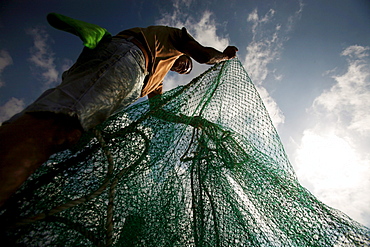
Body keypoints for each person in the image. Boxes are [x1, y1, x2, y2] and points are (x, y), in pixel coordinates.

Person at [0, 14, 238, 207]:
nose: (186, 67)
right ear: (184, 51)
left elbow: (157, 111)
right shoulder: (173, 37)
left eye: (186, 70)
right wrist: (225, 57)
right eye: (185, 62)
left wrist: (190, 120)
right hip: (128, 57)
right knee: (58, 126)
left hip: (123, 68)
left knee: (62, 124)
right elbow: (205, 56)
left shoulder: (157, 78)